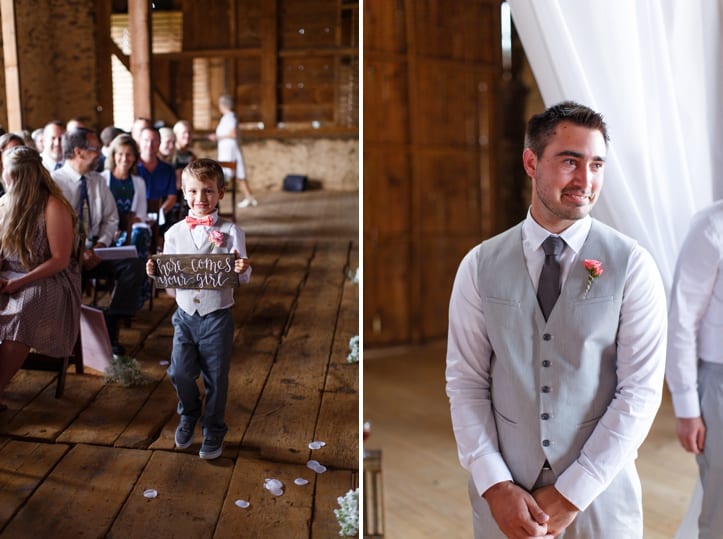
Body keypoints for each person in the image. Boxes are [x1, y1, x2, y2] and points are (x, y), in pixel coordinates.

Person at [445, 101, 667, 538]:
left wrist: (571, 494)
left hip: (601, 494)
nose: (585, 181)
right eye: (570, 162)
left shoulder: (633, 265)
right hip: (508, 499)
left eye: (597, 164)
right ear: (532, 162)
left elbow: (639, 393)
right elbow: (466, 382)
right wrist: (494, 486)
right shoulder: (479, 265)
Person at [146, 158, 250, 459]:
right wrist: (156, 272)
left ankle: (214, 429)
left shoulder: (232, 231)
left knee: (216, 378)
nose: (200, 199)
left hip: (217, 315)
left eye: (207, 191)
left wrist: (243, 268)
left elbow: (241, 278)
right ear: (182, 191)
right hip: (184, 316)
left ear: (220, 193)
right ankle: (189, 413)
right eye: (192, 191)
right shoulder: (175, 233)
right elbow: (170, 285)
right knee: (179, 371)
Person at [53, 128, 146, 356]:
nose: (100, 155)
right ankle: (72, 334)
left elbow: (111, 218)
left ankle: (111, 322)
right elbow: (54, 228)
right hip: (66, 255)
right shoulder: (55, 183)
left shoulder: (97, 181)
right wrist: (79, 251)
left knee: (134, 265)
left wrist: (100, 246)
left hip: (97, 249)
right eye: (95, 149)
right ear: (79, 152)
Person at [0, 146, 81, 409]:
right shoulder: (4, 204)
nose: (4, 177)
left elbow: (60, 259)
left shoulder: (52, 205)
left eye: (8, 173)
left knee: (24, 309)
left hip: (47, 277)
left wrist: (18, 282)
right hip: (9, 272)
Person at [665, 200, 723, 538]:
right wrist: (687, 409)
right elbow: (682, 321)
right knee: (719, 511)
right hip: (718, 383)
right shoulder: (711, 226)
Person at [101, 134, 151, 260]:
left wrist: (125, 227)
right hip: (105, 229)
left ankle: (138, 277)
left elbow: (140, 215)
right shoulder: (102, 179)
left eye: (129, 154)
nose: (124, 158)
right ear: (113, 156)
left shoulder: (139, 182)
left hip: (130, 231)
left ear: (135, 157)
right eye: (120, 154)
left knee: (139, 234)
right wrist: (113, 228)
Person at [208, 94, 258, 208]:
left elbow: (233, 133)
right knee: (237, 174)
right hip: (227, 149)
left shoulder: (230, 117)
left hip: (230, 150)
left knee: (234, 173)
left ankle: (219, 198)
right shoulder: (226, 118)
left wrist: (217, 137)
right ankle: (249, 196)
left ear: (222, 105)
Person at [137, 126, 179, 234]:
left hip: (161, 217)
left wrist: (159, 214)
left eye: (154, 141)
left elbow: (172, 197)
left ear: (159, 143)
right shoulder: (132, 168)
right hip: (135, 216)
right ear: (139, 142)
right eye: (146, 140)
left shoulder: (168, 169)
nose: (150, 144)